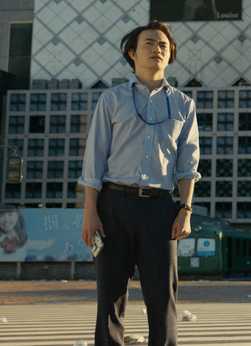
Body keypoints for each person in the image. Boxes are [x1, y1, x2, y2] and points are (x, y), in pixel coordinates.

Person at [79, 20, 200, 346]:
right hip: (112, 205)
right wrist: (90, 211)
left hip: (161, 209)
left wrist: (185, 210)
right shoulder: (111, 99)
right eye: (148, 43)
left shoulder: (184, 105)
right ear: (132, 52)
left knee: (163, 297)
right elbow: (95, 159)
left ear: (170, 54)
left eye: (163, 44)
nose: (156, 49)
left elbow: (188, 165)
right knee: (110, 298)